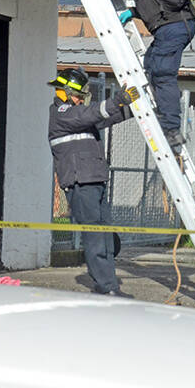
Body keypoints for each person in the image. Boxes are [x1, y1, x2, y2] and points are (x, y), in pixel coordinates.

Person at [88, 0, 195, 154]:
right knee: (151, 63)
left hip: (171, 29)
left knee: (164, 76)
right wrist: (134, 11)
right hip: (180, 26)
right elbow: (156, 1)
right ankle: (163, 105)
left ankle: (172, 130)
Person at [48, 68, 136, 296]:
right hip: (81, 183)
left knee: (105, 238)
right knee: (95, 239)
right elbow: (90, 114)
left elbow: (108, 116)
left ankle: (109, 286)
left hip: (95, 180)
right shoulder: (62, 113)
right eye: (77, 95)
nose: (80, 99)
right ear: (65, 92)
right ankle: (106, 288)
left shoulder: (78, 116)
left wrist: (134, 103)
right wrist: (117, 99)